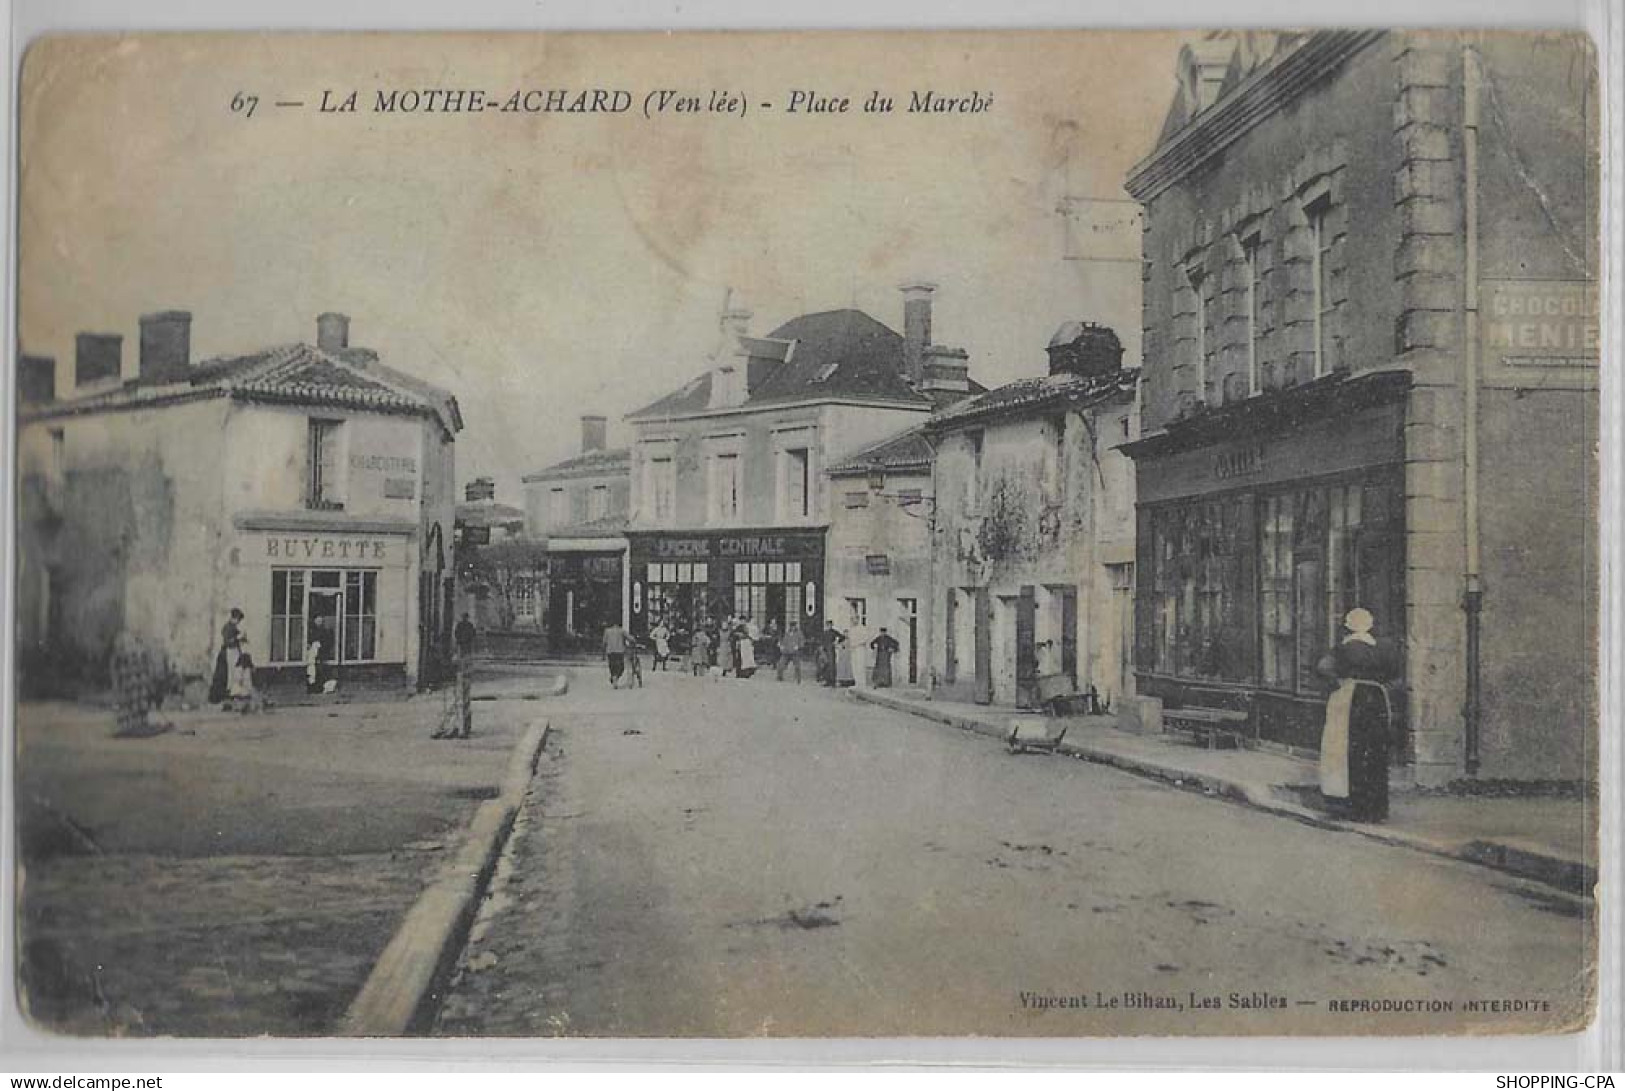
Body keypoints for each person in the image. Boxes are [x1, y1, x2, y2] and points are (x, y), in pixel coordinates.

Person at [1316, 607, 1397, 823]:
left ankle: (1350, 806)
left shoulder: (1343, 649)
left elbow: (1323, 667)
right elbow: (1393, 674)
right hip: (1377, 700)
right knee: (1375, 752)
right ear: (1370, 626)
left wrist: (1336, 683)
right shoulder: (1382, 649)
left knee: (1347, 749)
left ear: (1347, 626)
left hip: (1351, 699)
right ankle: (1376, 809)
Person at [110, 629, 155, 737]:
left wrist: (148, 679)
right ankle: (127, 725)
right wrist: (116, 681)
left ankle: (140, 723)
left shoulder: (143, 651)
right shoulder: (122, 654)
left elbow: (147, 666)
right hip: (128, 682)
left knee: (140, 702)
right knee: (127, 702)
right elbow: (115, 668)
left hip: (138, 681)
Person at [209, 608, 244, 707]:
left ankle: (231, 693)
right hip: (228, 653)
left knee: (233, 673)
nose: (238, 622)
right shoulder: (227, 628)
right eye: (238, 619)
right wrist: (237, 639)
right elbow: (228, 642)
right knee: (226, 674)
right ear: (235, 618)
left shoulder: (233, 628)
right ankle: (223, 695)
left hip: (232, 652)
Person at [603, 621, 627, 688]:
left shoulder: (607, 631)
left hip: (610, 651)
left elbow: (604, 641)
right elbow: (630, 638)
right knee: (621, 667)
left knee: (612, 666)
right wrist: (634, 640)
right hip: (619, 651)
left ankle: (614, 678)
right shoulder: (621, 631)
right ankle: (615, 678)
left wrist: (604, 651)